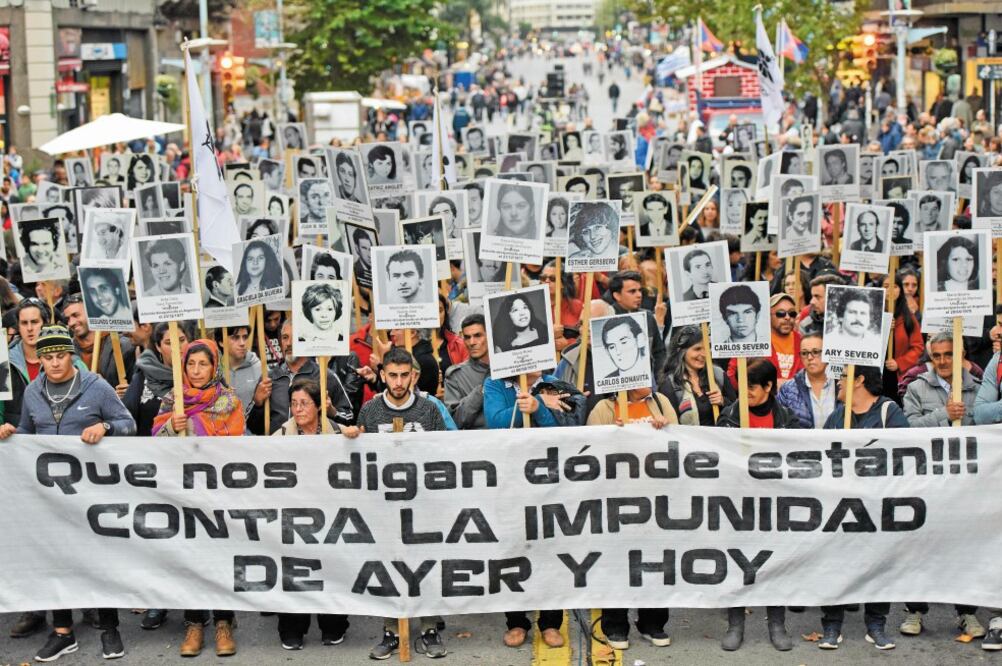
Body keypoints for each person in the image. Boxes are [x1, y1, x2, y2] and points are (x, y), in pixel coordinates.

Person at [0, 324, 137, 662]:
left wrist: (104, 427)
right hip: (50, 497)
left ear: (72, 356)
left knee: (99, 560)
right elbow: (28, 437)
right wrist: (11, 434)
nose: (55, 362)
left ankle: (109, 629)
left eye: (61, 355)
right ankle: (63, 632)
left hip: (92, 496)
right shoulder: (32, 392)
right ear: (41, 360)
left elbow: (129, 423)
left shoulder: (95, 386)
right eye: (48, 357)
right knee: (53, 560)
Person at [340, 347, 448, 659]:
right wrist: (350, 438)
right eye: (393, 375)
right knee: (388, 565)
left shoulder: (428, 411)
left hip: (424, 502)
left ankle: (429, 627)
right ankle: (390, 630)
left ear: (413, 376)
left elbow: (444, 455)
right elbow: (360, 451)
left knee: (425, 565)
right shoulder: (371, 411)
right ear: (383, 375)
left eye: (404, 375)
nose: (399, 382)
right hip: (383, 504)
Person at [152, 338, 242, 656]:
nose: (197, 370)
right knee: (190, 558)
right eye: (191, 364)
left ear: (214, 366)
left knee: (218, 557)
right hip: (182, 492)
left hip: (217, 491)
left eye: (203, 363)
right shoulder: (172, 401)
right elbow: (154, 443)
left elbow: (235, 442)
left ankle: (223, 622)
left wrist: (193, 424)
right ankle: (193, 623)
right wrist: (171, 428)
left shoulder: (229, 400)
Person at [819, 365, 907, 651]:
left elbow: (906, 453)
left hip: (878, 504)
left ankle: (876, 624)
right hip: (841, 506)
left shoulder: (888, 412)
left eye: (843, 376)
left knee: (878, 563)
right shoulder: (836, 417)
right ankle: (832, 624)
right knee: (835, 564)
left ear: (859, 379)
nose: (838, 382)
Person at [715, 359, 797, 652]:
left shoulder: (787, 418)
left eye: (751, 387)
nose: (745, 392)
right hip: (738, 503)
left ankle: (777, 624)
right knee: (739, 562)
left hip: (776, 503)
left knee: (775, 562)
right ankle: (735, 624)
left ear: (769, 386)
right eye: (743, 386)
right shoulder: (728, 416)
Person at [272, 377, 352, 650]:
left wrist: (354, 437)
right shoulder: (280, 436)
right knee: (294, 572)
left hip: (330, 515)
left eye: (304, 403)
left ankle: (333, 626)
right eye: (294, 403)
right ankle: (292, 628)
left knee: (330, 569)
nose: (298, 409)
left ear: (319, 406)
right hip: (294, 516)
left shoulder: (339, 433)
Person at [250, 319, 357, 433]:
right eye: (285, 337)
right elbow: (254, 428)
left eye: (295, 337)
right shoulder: (269, 378)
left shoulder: (325, 376)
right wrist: (257, 404)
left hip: (315, 448)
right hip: (278, 449)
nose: (289, 343)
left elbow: (350, 419)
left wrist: (332, 411)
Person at [660, 326, 734, 425]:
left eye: (707, 348)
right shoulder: (670, 385)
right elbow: (669, 426)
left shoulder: (718, 375)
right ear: (681, 351)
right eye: (697, 349)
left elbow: (737, 410)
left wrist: (723, 401)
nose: (704, 354)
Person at [63, 292, 134, 393]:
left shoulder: (123, 346)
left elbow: (136, 389)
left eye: (76, 315)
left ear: (92, 312)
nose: (71, 323)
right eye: (68, 319)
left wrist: (127, 392)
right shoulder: (66, 351)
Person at [608, 271, 667, 383]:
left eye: (640, 290)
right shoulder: (606, 317)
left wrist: (660, 381)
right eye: (632, 291)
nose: (639, 295)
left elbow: (659, 352)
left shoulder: (648, 316)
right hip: (617, 385)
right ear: (617, 295)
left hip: (647, 382)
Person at [776, 331, 836, 428]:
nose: (809, 357)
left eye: (815, 352)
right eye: (804, 353)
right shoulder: (788, 389)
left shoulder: (842, 385)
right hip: (799, 443)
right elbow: (778, 424)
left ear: (827, 353)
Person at [444, 314, 491, 429]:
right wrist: (481, 390)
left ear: (489, 336)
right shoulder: (455, 376)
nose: (472, 342)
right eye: (467, 337)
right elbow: (454, 422)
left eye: (478, 336)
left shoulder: (507, 368)